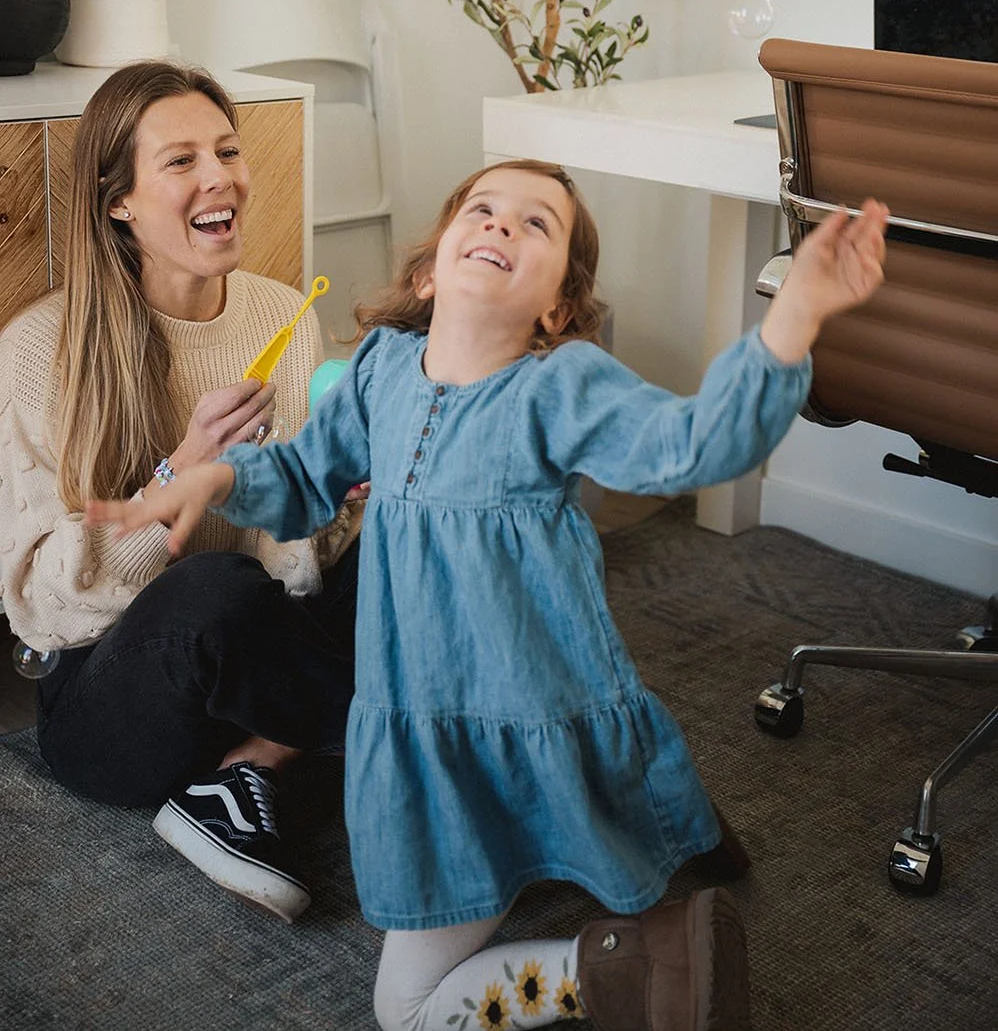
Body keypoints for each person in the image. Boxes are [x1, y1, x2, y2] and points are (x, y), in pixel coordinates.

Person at [91, 159, 888, 1030]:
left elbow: (687, 448)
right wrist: (214, 476)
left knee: (408, 1010)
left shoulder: (561, 385)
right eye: (483, 209)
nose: (503, 225)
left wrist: (795, 316)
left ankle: (632, 965)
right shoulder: (380, 372)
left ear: (556, 308)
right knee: (443, 965)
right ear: (432, 270)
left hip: (539, 698)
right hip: (428, 725)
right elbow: (302, 474)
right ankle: (642, 902)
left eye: (536, 223)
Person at [0, 60, 362, 925]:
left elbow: (306, 556)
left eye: (228, 151)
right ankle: (414, 728)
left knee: (437, 531)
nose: (221, 177)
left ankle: (251, 771)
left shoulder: (285, 314)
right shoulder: (40, 347)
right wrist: (180, 471)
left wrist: (356, 497)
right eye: (180, 160)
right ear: (117, 199)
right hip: (115, 705)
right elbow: (38, 605)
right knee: (216, 587)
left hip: (266, 654)